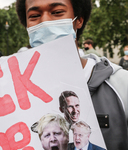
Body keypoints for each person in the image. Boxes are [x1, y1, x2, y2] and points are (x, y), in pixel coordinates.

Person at [16, 0, 128, 149]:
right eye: (34, 15)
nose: (45, 21)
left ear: (79, 20)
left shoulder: (121, 86)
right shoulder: (15, 96)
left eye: (57, 12)